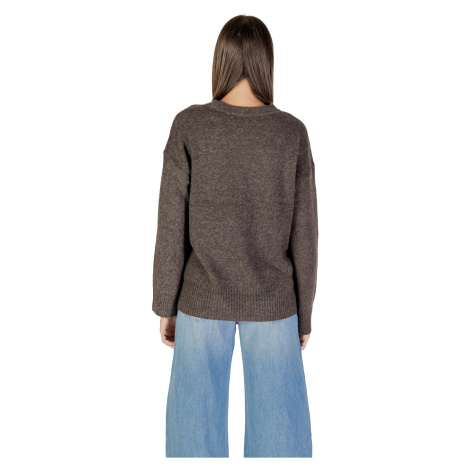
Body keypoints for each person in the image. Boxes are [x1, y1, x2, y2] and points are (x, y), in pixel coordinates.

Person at [152, 14, 319, 458]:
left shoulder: (189, 125)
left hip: (200, 303)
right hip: (274, 305)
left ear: (220, 61)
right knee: (281, 447)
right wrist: (303, 315)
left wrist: (166, 305)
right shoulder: (291, 133)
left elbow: (171, 225)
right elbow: (306, 234)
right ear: (266, 63)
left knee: (192, 446)